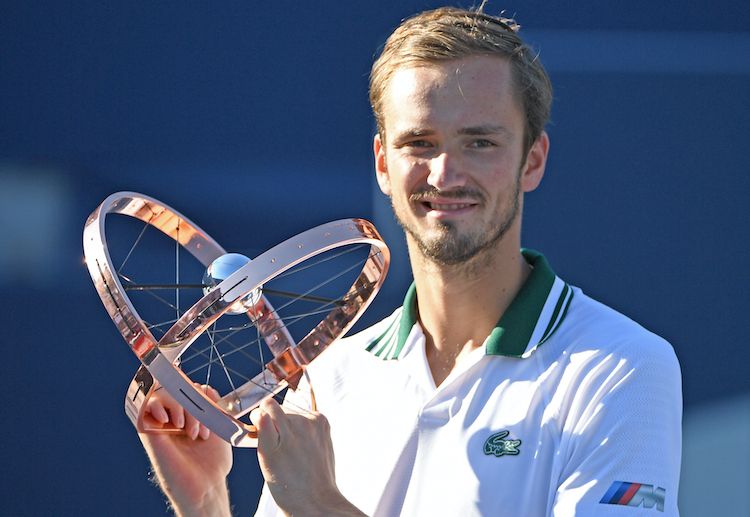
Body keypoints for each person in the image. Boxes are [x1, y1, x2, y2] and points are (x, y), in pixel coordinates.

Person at [140, 6, 682, 516]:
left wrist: (323, 507)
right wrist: (208, 499)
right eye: (420, 143)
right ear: (383, 162)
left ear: (531, 161)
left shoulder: (623, 368)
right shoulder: (328, 378)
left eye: (480, 143)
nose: (445, 175)